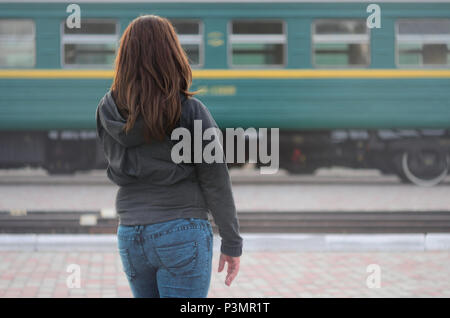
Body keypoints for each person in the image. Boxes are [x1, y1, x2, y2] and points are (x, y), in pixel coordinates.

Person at [95, 15, 242, 298]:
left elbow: (116, 168)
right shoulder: (189, 110)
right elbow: (215, 179)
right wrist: (232, 243)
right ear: (172, 55)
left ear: (124, 58)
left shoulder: (107, 111)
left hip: (130, 232)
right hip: (182, 231)